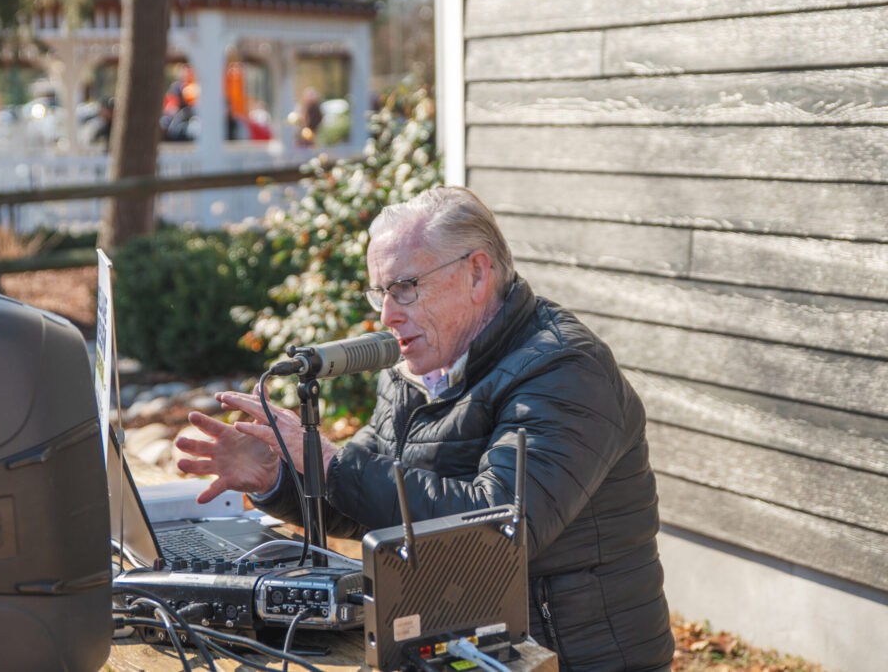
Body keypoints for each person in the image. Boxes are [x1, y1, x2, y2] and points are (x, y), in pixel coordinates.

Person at [175, 186, 676, 671]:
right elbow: (370, 500)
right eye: (380, 293)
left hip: (566, 658)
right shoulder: (420, 366)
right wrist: (283, 477)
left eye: (406, 288)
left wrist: (331, 463)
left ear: (477, 274)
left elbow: (496, 531)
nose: (389, 315)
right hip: (459, 642)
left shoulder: (565, 369)